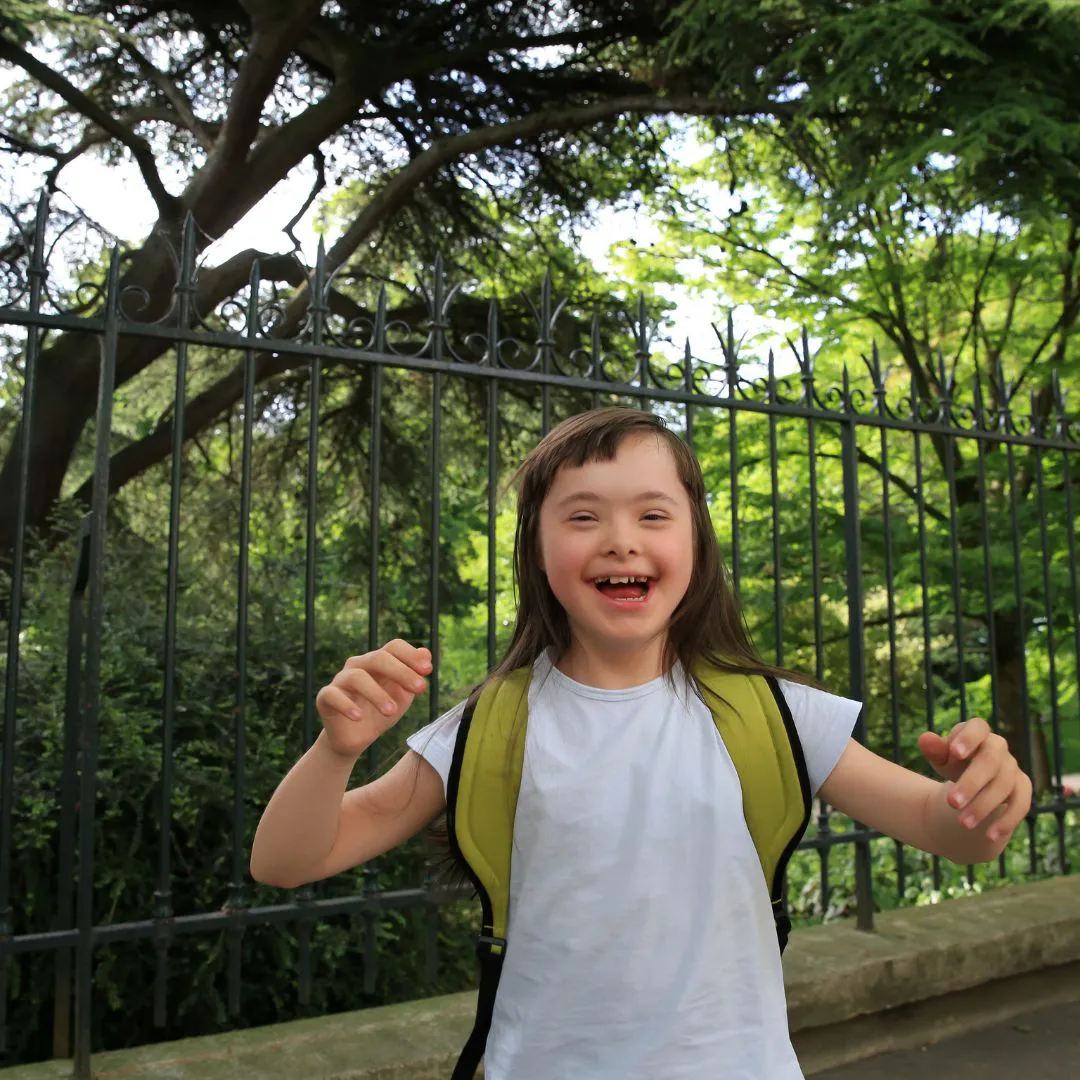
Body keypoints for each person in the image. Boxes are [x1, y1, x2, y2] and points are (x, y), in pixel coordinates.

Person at [250, 407, 1033, 1080]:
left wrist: (982, 795)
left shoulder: (776, 714)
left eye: (653, 515)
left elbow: (951, 833)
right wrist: (336, 751)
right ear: (538, 548)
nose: (621, 540)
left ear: (695, 541)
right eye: (583, 516)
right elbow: (286, 861)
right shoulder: (490, 727)